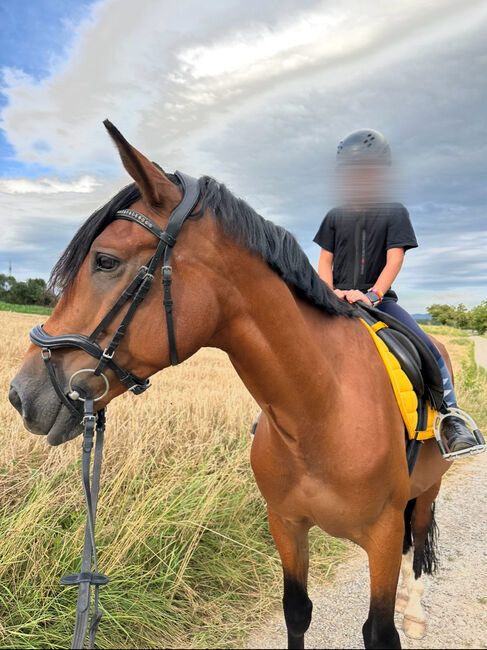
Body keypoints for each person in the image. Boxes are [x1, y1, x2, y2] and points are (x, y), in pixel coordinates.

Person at [314, 128, 483, 457]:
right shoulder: (334, 216)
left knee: (426, 346)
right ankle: (274, 416)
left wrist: (373, 295)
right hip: (335, 300)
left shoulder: (394, 211)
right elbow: (324, 261)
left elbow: (395, 259)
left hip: (378, 303)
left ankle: (451, 418)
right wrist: (329, 292)